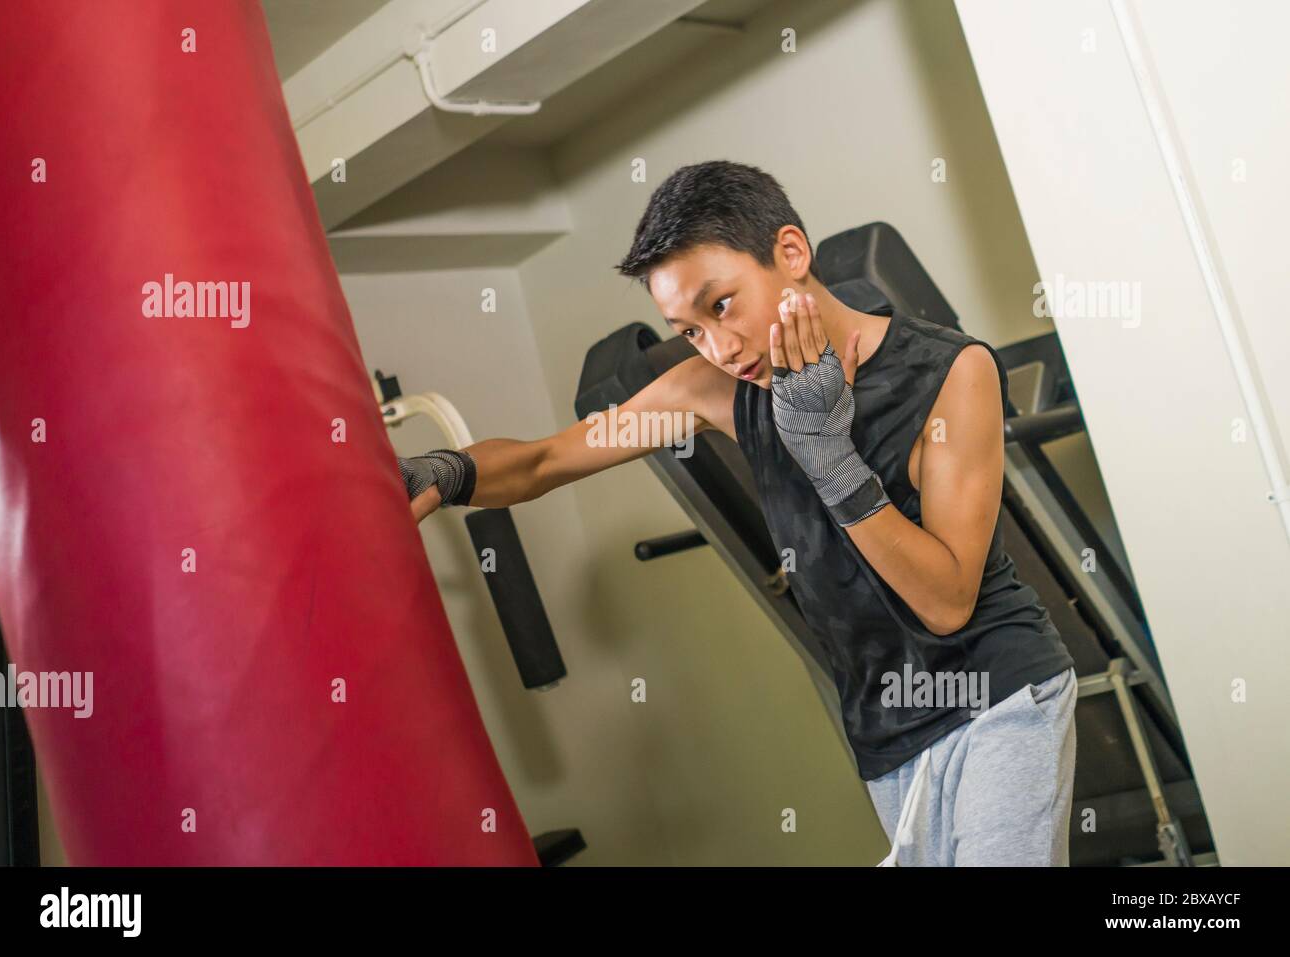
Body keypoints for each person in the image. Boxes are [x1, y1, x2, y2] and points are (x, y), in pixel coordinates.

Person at [397, 160, 1078, 866]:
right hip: (886, 734)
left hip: (998, 697)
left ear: (790, 252)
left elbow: (946, 600)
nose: (718, 347)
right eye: (688, 331)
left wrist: (828, 456)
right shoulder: (716, 387)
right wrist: (448, 472)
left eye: (720, 305)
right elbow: (547, 460)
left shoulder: (949, 372)